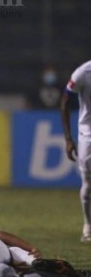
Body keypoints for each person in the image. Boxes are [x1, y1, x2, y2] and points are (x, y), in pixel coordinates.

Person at [61, 60, 91, 242]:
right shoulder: (83, 72)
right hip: (88, 135)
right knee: (88, 183)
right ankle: (88, 226)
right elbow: (65, 101)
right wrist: (68, 138)